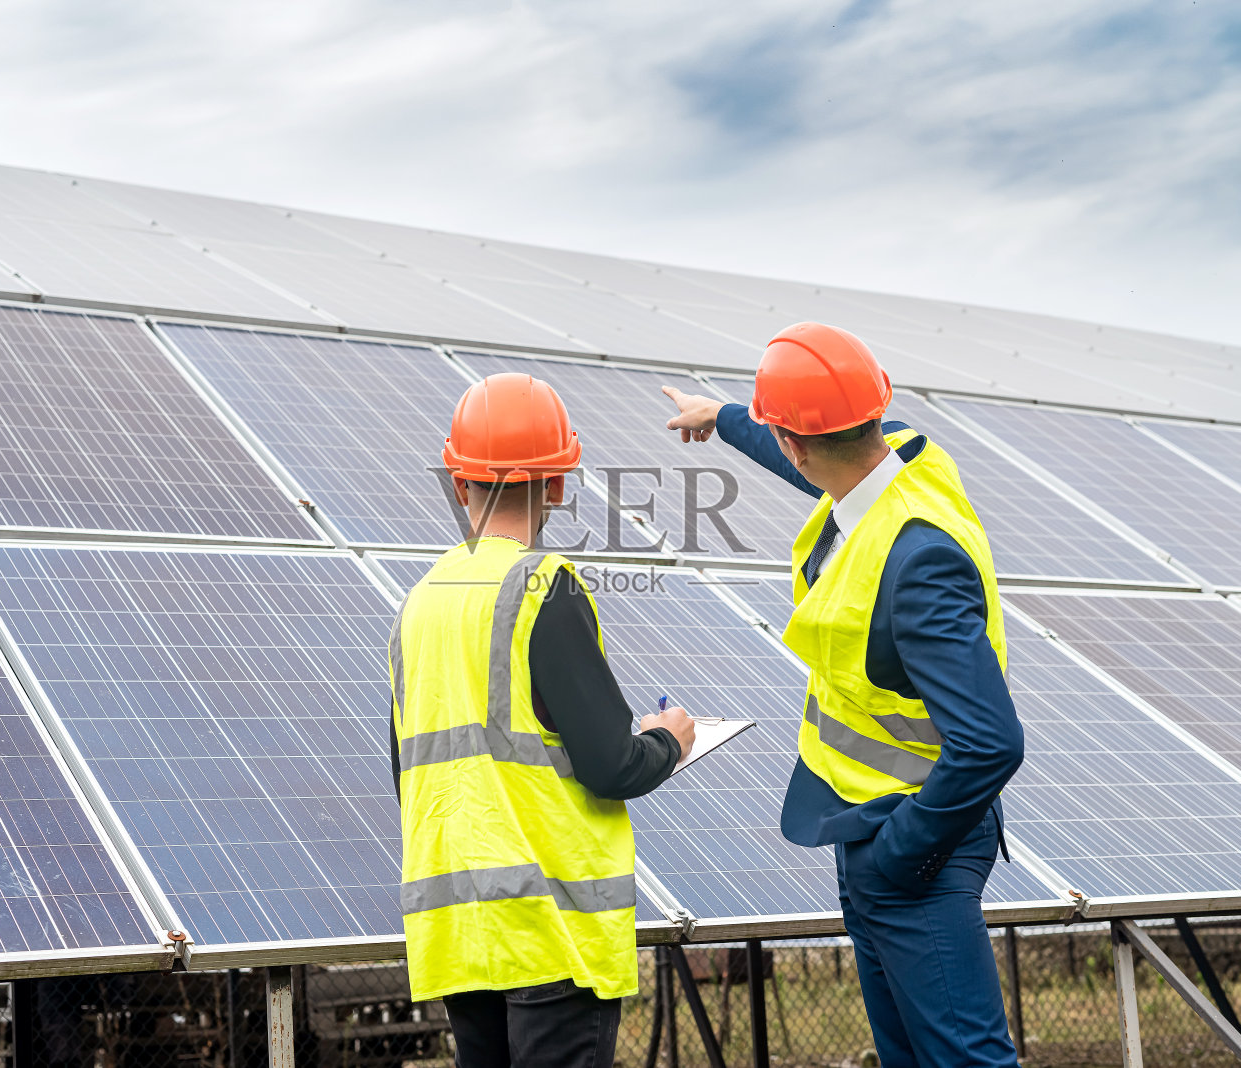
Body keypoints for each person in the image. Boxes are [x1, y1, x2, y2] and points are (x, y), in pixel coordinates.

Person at [662, 322, 1025, 1068]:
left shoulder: (917, 559)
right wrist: (725, 417)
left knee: (966, 1061)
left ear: (797, 442)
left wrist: (900, 855)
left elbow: (992, 741)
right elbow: (816, 458)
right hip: (867, 830)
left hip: (916, 846)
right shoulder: (908, 459)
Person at [390, 371, 697, 1068]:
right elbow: (611, 764)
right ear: (557, 485)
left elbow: (408, 772)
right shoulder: (543, 587)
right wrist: (669, 742)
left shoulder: (419, 604)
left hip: (459, 934)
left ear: (458, 479)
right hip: (549, 931)